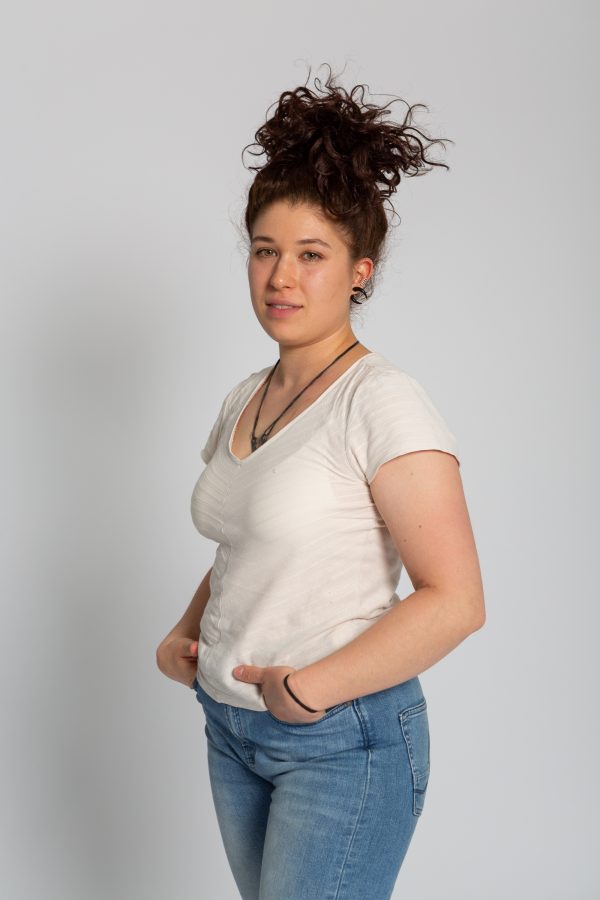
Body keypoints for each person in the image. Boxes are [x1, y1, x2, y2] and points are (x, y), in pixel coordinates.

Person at [156, 64, 485, 900]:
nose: (281, 278)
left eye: (311, 255)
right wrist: (186, 634)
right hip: (231, 727)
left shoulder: (383, 402)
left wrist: (309, 689)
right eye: (265, 251)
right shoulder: (247, 395)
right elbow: (247, 545)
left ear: (359, 271)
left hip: (343, 740)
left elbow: (455, 600)